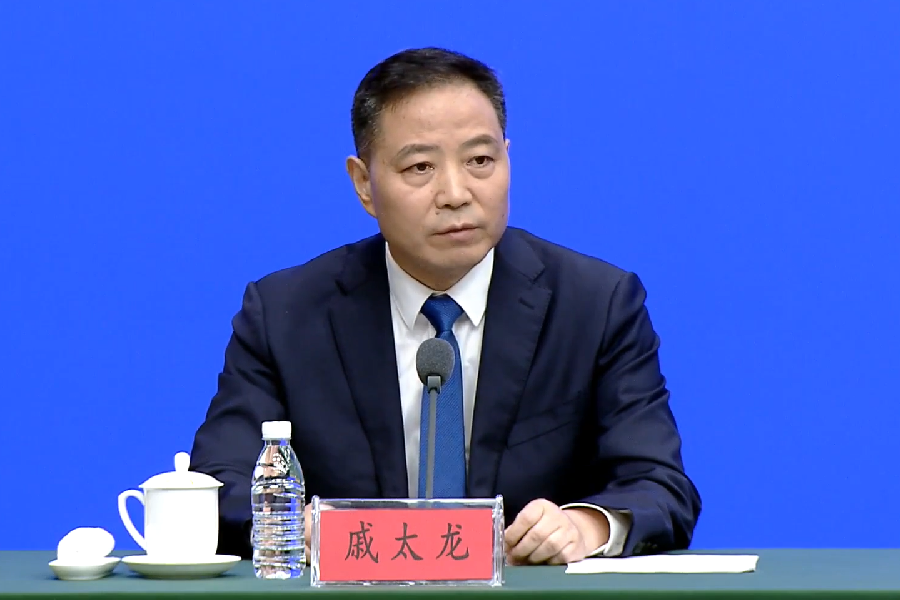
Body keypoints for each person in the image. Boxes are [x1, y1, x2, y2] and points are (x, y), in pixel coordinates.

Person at [189, 47, 701, 565]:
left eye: (480, 161)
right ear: (364, 184)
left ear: (508, 158)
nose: (456, 193)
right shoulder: (286, 314)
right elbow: (218, 483)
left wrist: (584, 526)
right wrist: (289, 527)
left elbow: (658, 486)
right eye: (420, 167)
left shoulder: (595, 305)